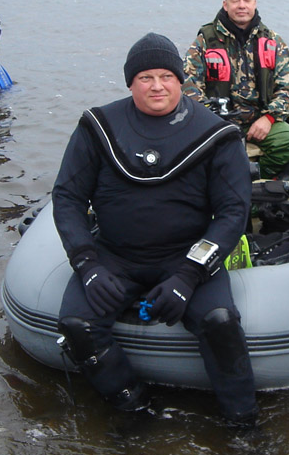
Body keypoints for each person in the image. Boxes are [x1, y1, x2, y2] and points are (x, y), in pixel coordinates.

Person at [52, 33, 258, 427]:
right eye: (146, 77)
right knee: (78, 326)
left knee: (219, 321)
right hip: (114, 255)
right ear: (130, 83)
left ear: (181, 80)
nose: (158, 85)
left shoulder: (218, 135)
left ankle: (243, 423)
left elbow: (233, 212)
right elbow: (67, 198)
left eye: (166, 75)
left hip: (185, 257)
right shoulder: (98, 126)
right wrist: (86, 262)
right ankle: (134, 407)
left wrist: (189, 273)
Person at [183, 0, 289, 178]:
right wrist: (212, 120)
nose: (241, 5)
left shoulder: (273, 41)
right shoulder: (205, 41)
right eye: (235, 0)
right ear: (225, 5)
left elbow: (287, 88)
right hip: (217, 122)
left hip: (259, 120)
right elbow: (189, 88)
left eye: (246, 0)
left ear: (254, 3)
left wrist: (268, 118)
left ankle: (253, 181)